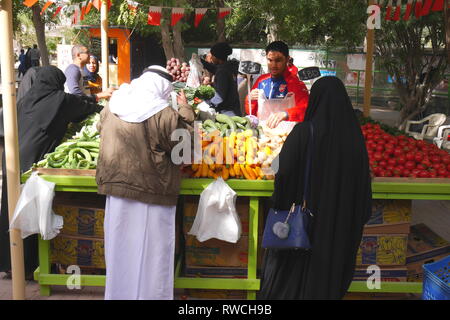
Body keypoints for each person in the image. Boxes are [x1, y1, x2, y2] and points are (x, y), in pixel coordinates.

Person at [258, 76, 372, 300]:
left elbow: (283, 171)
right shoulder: (355, 140)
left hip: (303, 230)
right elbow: (363, 193)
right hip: (338, 231)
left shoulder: (303, 132)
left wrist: (280, 201)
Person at [95, 65, 195, 300]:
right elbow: (184, 151)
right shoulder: (163, 113)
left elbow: (101, 129)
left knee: (120, 252)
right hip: (152, 194)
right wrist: (186, 111)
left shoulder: (113, 105)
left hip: (116, 192)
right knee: (152, 255)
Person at [0, 66, 103, 279]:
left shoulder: (25, 99)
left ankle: (11, 263)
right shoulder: (60, 100)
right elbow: (85, 108)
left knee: (10, 207)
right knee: (33, 207)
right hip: (34, 158)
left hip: (11, 157)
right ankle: (30, 266)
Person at [245, 41, 309, 129]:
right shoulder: (261, 81)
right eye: (270, 60)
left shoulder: (296, 83)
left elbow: (306, 109)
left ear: (287, 59)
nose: (273, 65)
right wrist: (249, 100)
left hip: (286, 135)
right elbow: (251, 113)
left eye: (278, 60)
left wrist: (286, 114)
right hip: (263, 134)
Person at [200, 42, 241, 116]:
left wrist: (207, 103)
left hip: (228, 113)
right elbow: (214, 69)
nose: (211, 58)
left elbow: (219, 97)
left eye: (212, 56)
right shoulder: (229, 66)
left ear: (217, 57)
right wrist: (201, 62)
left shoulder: (222, 71)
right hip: (234, 108)